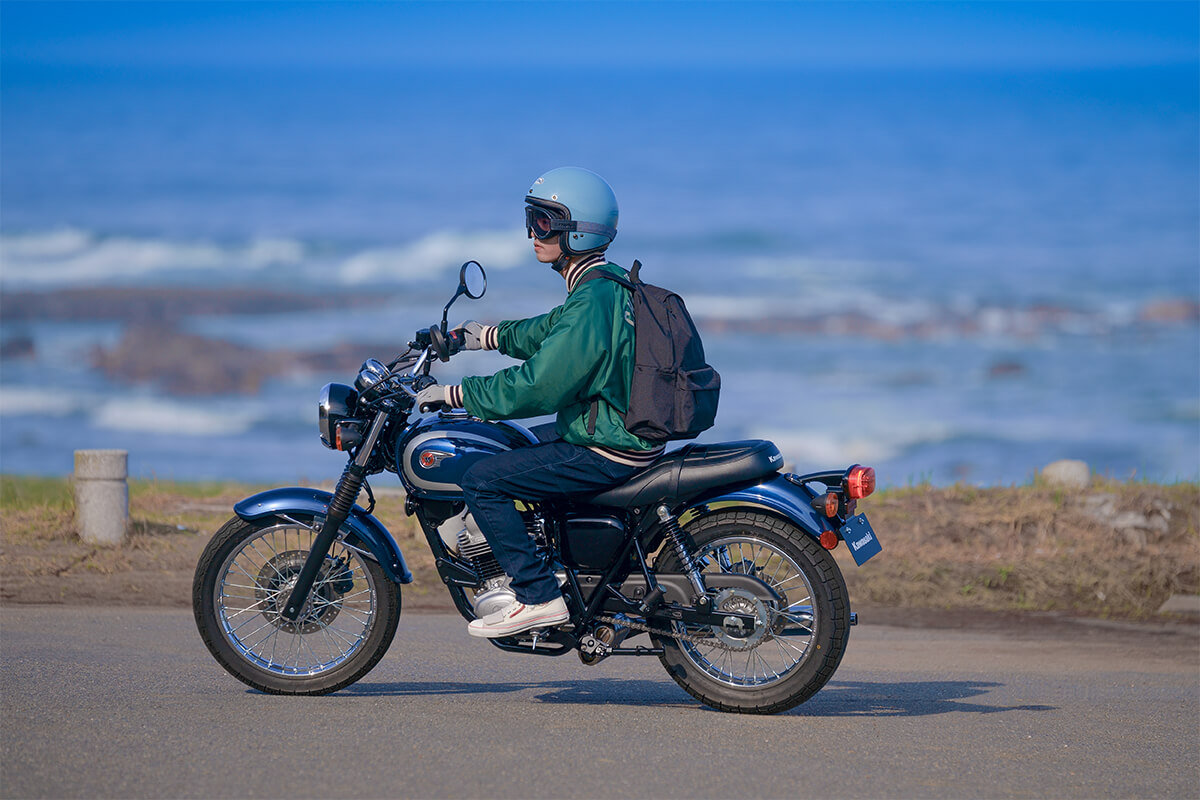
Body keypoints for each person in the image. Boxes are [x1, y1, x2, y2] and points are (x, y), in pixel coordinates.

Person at [414, 166, 662, 638]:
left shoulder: (592, 298)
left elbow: (540, 385)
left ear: (577, 229)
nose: (532, 233)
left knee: (483, 478)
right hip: (610, 426)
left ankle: (537, 595)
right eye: (532, 219)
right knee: (510, 444)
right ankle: (541, 560)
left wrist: (456, 394)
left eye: (544, 222)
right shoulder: (601, 284)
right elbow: (548, 332)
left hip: (608, 443)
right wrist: (480, 336)